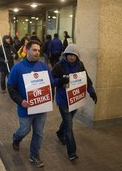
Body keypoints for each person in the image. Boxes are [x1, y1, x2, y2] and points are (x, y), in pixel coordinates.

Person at [7, 40, 54, 168]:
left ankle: (34, 155)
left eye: (39, 50)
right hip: (25, 109)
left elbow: (50, 84)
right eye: (34, 50)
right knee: (24, 130)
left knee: (38, 133)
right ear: (26, 50)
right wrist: (21, 101)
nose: (37, 52)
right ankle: (17, 138)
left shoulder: (44, 67)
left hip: (41, 108)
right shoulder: (17, 68)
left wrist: (49, 99)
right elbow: (10, 87)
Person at [51, 44, 97, 161]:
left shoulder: (80, 65)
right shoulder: (59, 65)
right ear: (66, 55)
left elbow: (86, 79)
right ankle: (71, 152)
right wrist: (60, 81)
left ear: (77, 56)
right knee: (69, 126)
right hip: (63, 100)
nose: (72, 57)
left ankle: (60, 134)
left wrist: (91, 92)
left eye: (74, 55)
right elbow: (50, 80)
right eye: (70, 55)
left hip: (75, 99)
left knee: (68, 121)